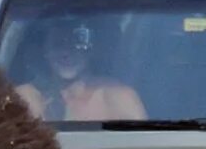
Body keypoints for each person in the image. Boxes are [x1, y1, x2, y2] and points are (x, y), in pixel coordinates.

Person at [15, 18, 145, 121]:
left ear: (91, 49)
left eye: (76, 43)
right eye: (58, 44)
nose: (66, 52)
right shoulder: (26, 98)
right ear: (45, 51)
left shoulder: (119, 98)